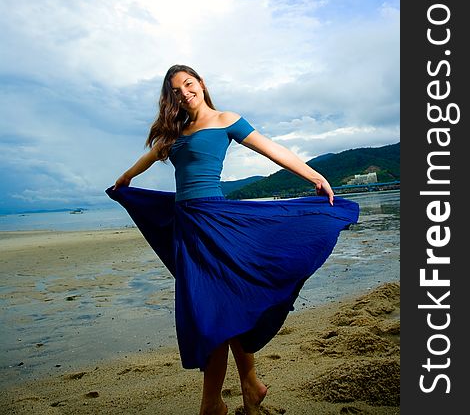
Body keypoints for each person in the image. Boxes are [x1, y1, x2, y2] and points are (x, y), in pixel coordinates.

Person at [107, 64, 359, 415]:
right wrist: (124, 180)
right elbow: (148, 158)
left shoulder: (226, 119)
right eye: (176, 91)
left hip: (216, 223)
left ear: (201, 84)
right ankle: (250, 386)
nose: (184, 93)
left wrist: (314, 175)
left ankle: (213, 404)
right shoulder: (175, 132)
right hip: (188, 229)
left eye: (188, 84)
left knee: (214, 313)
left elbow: (272, 150)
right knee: (226, 307)